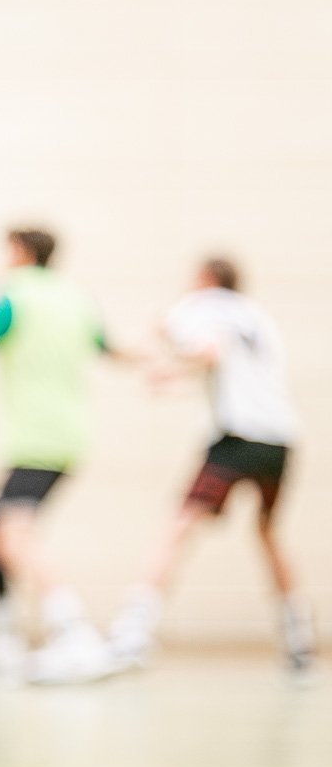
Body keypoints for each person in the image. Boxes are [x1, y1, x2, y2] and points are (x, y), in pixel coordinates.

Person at [0, 227, 118, 685]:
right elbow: (110, 348)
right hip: (63, 438)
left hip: (38, 438)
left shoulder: (15, 296)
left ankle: (75, 632)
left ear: (21, 252)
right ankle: (4, 641)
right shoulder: (75, 298)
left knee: (13, 535)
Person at [107, 257, 314, 674]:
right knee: (268, 532)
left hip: (237, 439)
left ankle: (132, 631)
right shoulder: (258, 317)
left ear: (205, 279)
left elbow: (211, 352)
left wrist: (168, 357)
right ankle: (298, 637)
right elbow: (239, 374)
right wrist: (180, 380)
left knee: (180, 526)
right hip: (280, 440)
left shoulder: (204, 306)